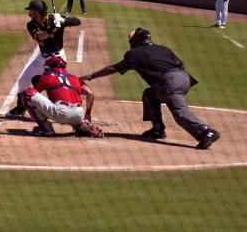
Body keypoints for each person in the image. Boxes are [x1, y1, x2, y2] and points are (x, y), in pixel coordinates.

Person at [81, 28, 220, 149]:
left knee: (179, 112)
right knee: (150, 95)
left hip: (170, 81)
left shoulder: (134, 54)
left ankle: (206, 131)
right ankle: (157, 129)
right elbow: (181, 65)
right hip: (185, 78)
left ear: (136, 41)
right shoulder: (163, 48)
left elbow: (113, 68)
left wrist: (92, 75)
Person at [5, 0, 81, 117]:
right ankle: (21, 107)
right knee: (23, 81)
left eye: (31, 10)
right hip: (42, 57)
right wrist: (53, 28)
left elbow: (77, 21)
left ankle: (62, 109)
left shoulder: (54, 18)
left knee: (53, 84)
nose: (29, 12)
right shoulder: (31, 25)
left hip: (57, 58)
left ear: (37, 12)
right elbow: (41, 37)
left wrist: (63, 22)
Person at [16, 56, 103, 137]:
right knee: (74, 115)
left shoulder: (47, 77)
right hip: (79, 114)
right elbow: (90, 94)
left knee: (26, 94)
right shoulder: (75, 78)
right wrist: (87, 114)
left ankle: (45, 129)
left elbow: (34, 93)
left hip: (60, 113)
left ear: (50, 66)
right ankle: (81, 126)